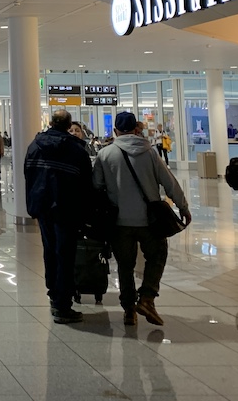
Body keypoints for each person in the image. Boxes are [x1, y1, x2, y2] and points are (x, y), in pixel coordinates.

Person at [92, 111, 191, 327]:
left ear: (115, 131)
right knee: (157, 256)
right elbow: (169, 182)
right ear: (137, 130)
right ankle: (147, 298)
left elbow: (97, 187)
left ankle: (129, 310)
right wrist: (183, 206)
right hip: (149, 221)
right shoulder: (151, 153)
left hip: (119, 222)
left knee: (125, 266)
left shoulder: (105, 154)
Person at [24, 109, 93, 324]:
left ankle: (54, 294)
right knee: (66, 254)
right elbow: (86, 185)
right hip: (68, 209)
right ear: (68, 125)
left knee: (50, 251)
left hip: (44, 207)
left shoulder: (35, 146)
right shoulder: (76, 150)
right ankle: (63, 304)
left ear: (51, 123)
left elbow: (28, 175)